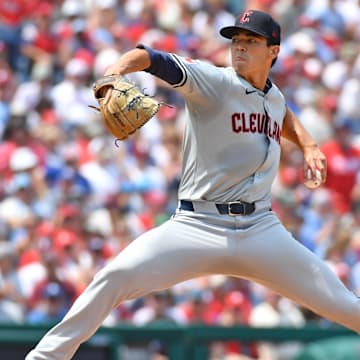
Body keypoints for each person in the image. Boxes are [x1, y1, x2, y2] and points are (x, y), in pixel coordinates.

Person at [26, 10, 360, 360]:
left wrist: (307, 144)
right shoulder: (213, 81)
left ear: (273, 51)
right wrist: (113, 74)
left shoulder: (272, 96)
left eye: (251, 41)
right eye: (236, 40)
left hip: (260, 228)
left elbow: (280, 110)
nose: (240, 48)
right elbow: (149, 57)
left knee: (339, 302)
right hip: (197, 225)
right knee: (116, 275)